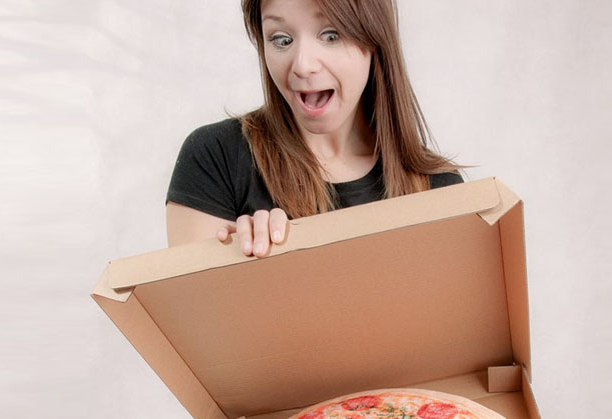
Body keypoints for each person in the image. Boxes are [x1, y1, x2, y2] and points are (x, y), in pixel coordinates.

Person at [166, 0, 463, 253]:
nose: (302, 64)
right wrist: (241, 268)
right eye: (281, 39)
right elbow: (192, 317)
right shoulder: (216, 158)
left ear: (374, 38)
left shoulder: (439, 189)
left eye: (331, 35)